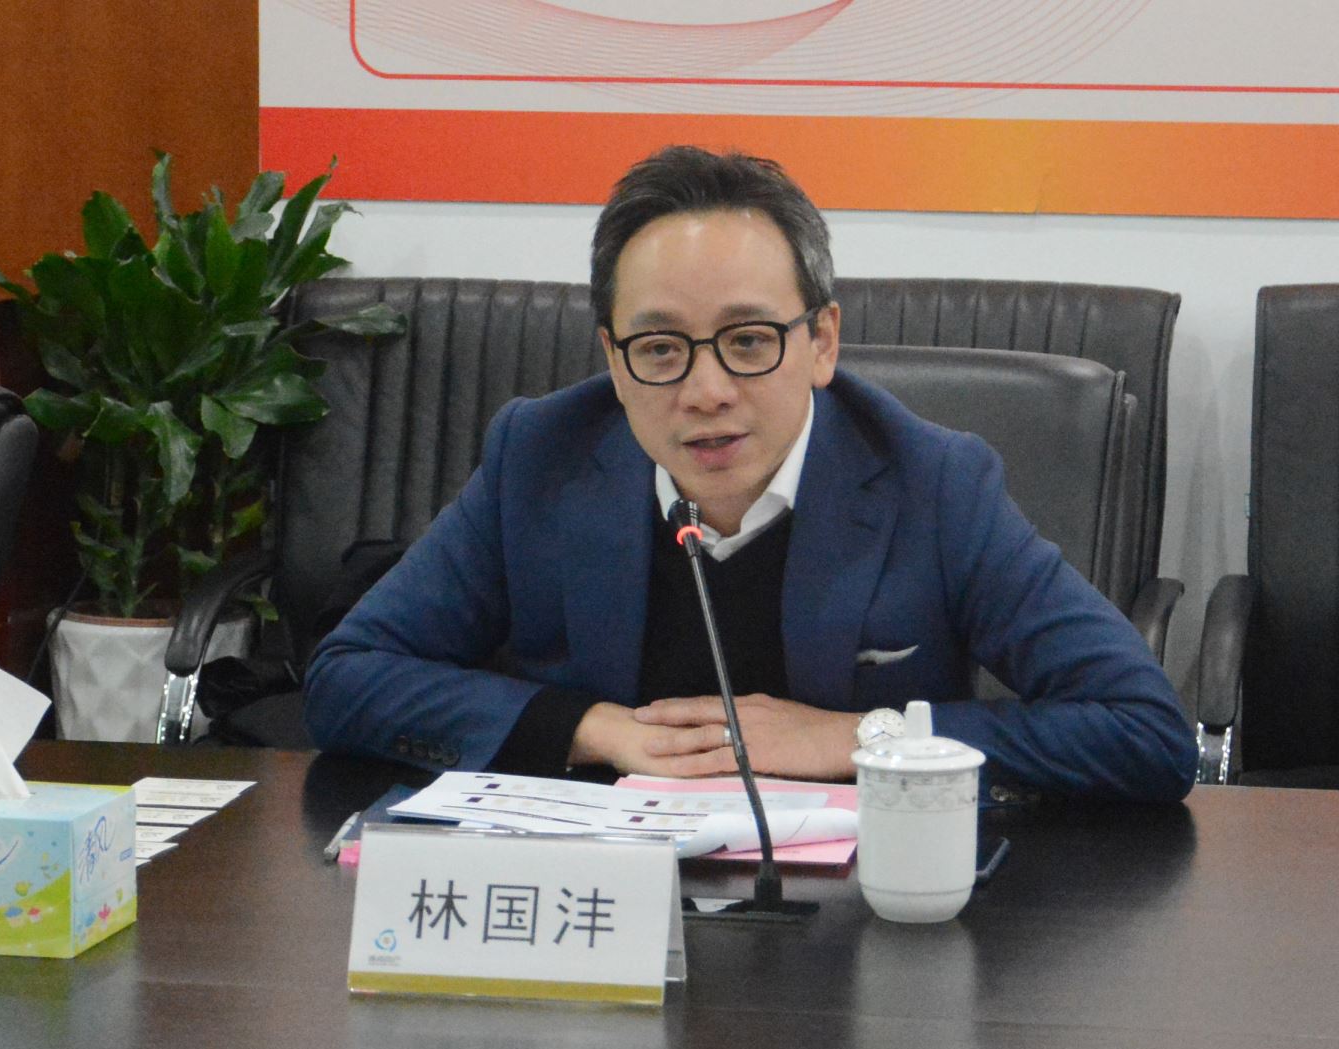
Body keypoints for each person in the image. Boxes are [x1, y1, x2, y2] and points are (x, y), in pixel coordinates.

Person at [303, 146, 1195, 801]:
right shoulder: (540, 456)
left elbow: (1145, 729)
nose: (707, 391)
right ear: (613, 362)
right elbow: (348, 675)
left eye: (749, 340)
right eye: (661, 348)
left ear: (822, 343)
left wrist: (861, 738)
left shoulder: (933, 483)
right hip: (606, 909)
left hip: (854, 933)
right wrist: (590, 729)